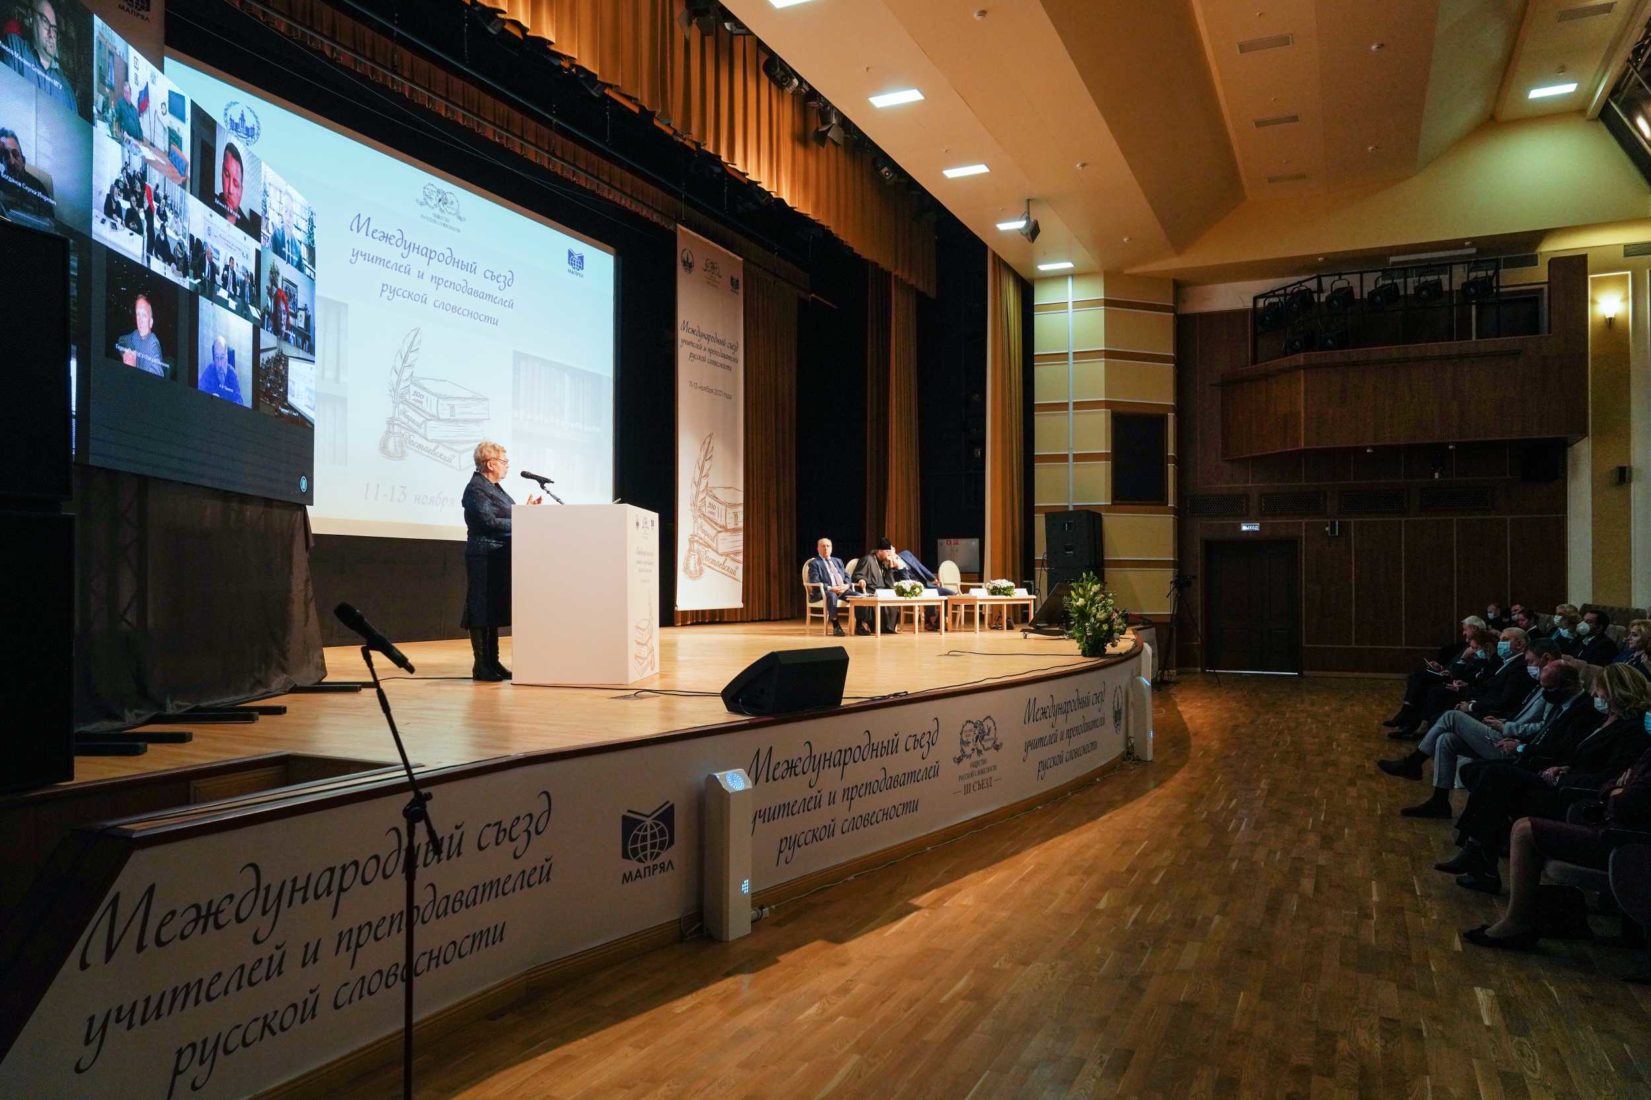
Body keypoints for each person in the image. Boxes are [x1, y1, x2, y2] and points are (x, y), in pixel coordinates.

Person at [1438, 663, 1651, 892]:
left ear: (1614, 692)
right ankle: (1478, 857)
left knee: (1497, 779)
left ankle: (1476, 854)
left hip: (1575, 798)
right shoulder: (1605, 719)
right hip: (1562, 778)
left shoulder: (1631, 731)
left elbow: (1606, 777)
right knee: (1493, 780)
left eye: (1599, 690)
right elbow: (1582, 757)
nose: (1594, 694)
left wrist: (1563, 777)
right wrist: (1564, 767)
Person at [1462, 734, 1651, 951]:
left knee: (1524, 829)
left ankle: (1516, 923)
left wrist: (1616, 790)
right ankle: (1477, 856)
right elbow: (1614, 783)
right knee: (1495, 779)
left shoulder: (1633, 738)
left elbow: (1628, 802)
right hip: (1612, 828)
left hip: (1627, 842)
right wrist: (1614, 790)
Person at [462, 441, 540, 681]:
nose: (507, 466)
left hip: (499, 554)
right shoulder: (476, 488)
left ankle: (493, 662)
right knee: (481, 608)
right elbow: (487, 521)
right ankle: (480, 665)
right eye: (504, 462)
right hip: (484, 555)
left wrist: (524, 511)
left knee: (493, 608)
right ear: (490, 464)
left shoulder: (494, 488)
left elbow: (505, 515)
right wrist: (522, 520)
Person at [3, 0, 78, 116]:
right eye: (45, 21)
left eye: (54, 29)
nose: (51, 34)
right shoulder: (14, 47)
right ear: (31, 19)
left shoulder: (67, 89)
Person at [805, 537, 854, 637]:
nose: (826, 548)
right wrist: (831, 588)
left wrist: (846, 585)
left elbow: (846, 576)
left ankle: (859, 625)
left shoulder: (838, 561)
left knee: (858, 596)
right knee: (832, 595)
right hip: (824, 592)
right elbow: (815, 582)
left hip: (842, 590)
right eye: (823, 546)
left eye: (828, 546)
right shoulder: (814, 563)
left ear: (831, 548)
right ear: (818, 548)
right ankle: (836, 625)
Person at [852, 544, 902, 635]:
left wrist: (890, 568)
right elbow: (857, 574)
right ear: (879, 550)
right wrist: (861, 579)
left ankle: (887, 628)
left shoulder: (884, 563)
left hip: (882, 591)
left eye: (890, 553)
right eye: (888, 552)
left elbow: (890, 584)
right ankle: (870, 626)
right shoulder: (867, 559)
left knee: (891, 600)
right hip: (869, 589)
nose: (889, 555)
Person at [214, 142, 260, 237]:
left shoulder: (249, 232)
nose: (230, 189)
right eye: (227, 175)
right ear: (221, 173)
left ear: (241, 191)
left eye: (235, 184)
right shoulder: (209, 201)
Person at [115, 293, 166, 377]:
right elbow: (121, 340)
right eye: (138, 314)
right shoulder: (136, 334)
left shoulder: (153, 344)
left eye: (144, 315)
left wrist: (133, 368)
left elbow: (156, 380)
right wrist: (126, 353)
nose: (140, 320)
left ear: (151, 322)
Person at [197, 335, 241, 405]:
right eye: (217, 357)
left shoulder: (232, 373)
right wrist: (210, 398)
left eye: (222, 357)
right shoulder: (209, 370)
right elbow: (199, 393)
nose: (219, 363)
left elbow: (239, 400)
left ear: (227, 356)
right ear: (213, 357)